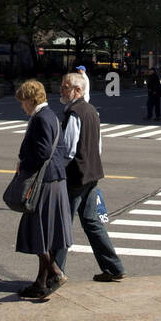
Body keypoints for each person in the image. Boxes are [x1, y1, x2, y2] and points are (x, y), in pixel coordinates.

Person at [51, 72, 125, 287]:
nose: (62, 90)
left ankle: (55, 272)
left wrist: (57, 172)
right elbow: (98, 146)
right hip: (91, 175)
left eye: (66, 87)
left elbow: (68, 150)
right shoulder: (91, 111)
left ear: (78, 90)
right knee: (92, 223)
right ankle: (114, 267)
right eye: (63, 85)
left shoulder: (75, 113)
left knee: (63, 224)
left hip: (76, 177)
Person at [12, 79, 72, 301]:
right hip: (55, 180)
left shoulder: (41, 118)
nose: (22, 107)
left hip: (45, 183)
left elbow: (43, 151)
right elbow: (62, 151)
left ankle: (55, 273)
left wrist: (23, 164)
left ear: (30, 99)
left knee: (37, 232)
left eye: (23, 102)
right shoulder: (51, 115)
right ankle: (40, 282)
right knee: (44, 234)